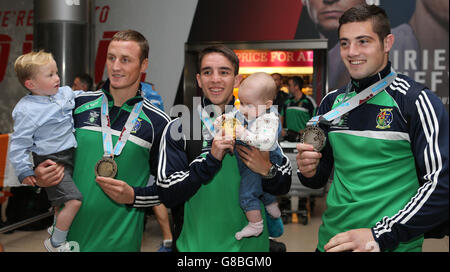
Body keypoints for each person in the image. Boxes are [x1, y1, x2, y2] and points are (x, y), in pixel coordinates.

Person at [296, 4, 449, 252]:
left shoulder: (415, 102)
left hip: (387, 244)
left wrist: (380, 234)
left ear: (387, 43)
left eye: (363, 41)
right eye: (344, 43)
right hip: (331, 242)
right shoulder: (330, 102)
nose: (351, 52)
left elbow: (440, 185)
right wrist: (309, 170)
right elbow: (319, 178)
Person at [33, 30, 170, 251]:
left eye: (125, 60)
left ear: (144, 65)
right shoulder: (76, 105)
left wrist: (134, 196)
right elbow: (47, 151)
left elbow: (167, 189)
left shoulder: (158, 123)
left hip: (121, 245)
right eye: (111, 57)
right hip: (68, 242)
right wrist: (39, 174)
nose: (115, 67)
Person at [156, 45, 292, 251]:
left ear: (237, 80)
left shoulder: (258, 120)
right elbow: (167, 193)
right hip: (196, 248)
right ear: (199, 79)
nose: (215, 79)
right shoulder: (180, 127)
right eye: (207, 72)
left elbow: (284, 183)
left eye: (224, 72)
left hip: (252, 250)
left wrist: (267, 171)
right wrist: (208, 161)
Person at [9, 50, 83, 252]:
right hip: (51, 160)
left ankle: (56, 228)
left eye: (56, 72)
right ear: (31, 84)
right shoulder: (26, 110)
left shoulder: (64, 92)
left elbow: (81, 96)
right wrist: (25, 171)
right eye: (50, 75)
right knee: (74, 201)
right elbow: (19, 144)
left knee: (61, 203)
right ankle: (56, 243)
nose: (57, 78)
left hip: (70, 154)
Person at [213, 72, 283, 241]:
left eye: (249, 105)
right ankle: (270, 202)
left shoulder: (269, 118)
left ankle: (256, 225)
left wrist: (243, 133)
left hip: (266, 158)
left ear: (267, 104)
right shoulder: (247, 112)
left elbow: (265, 143)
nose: (243, 109)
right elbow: (230, 118)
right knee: (259, 186)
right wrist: (221, 121)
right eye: (241, 103)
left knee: (247, 192)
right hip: (249, 159)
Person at [282, 76, 317, 142]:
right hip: (288, 140)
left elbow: (316, 119)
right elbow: (281, 115)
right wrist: (281, 129)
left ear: (296, 87)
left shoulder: (309, 101)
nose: (287, 87)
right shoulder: (287, 102)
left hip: (304, 140)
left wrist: (307, 130)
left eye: (289, 85)